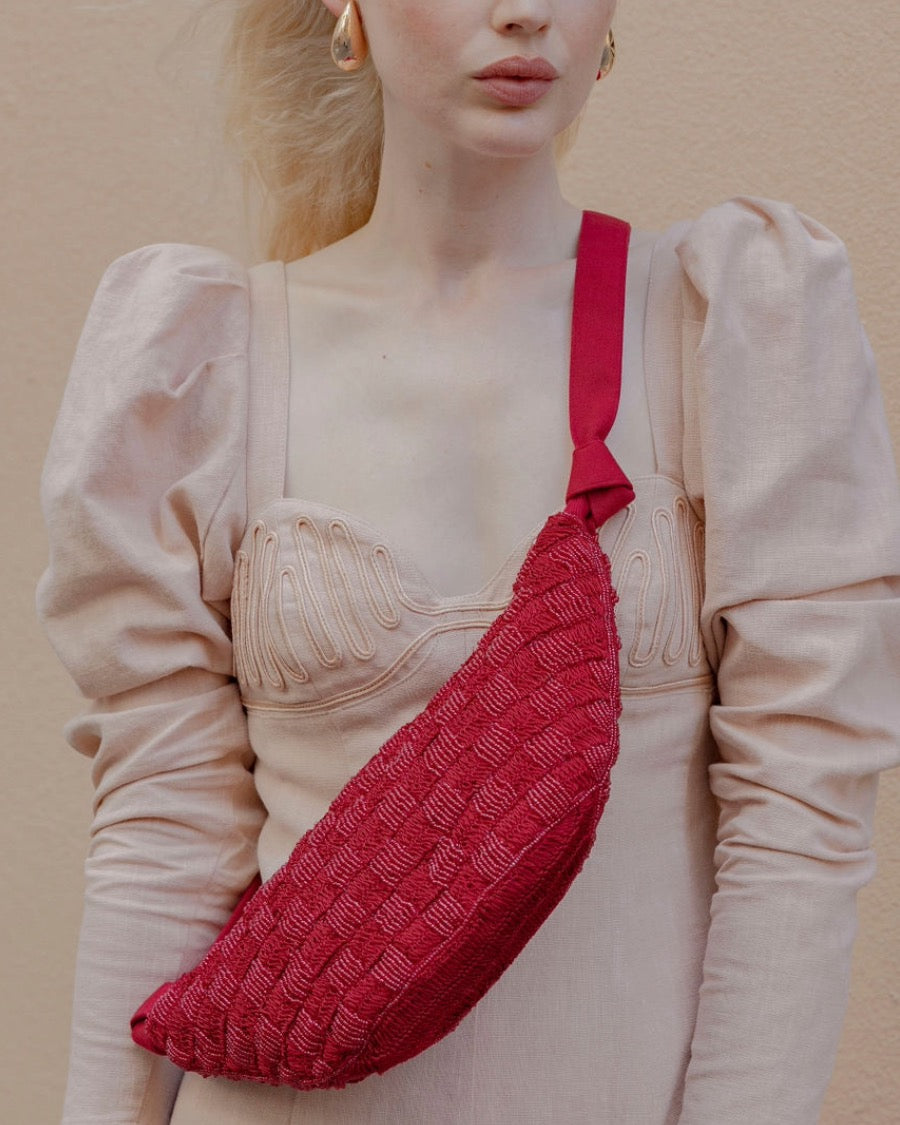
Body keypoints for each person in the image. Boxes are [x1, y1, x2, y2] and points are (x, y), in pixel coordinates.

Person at [37, 1, 900, 1123]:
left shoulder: (725, 319)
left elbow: (804, 804)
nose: (521, 10)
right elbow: (165, 829)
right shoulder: (210, 358)